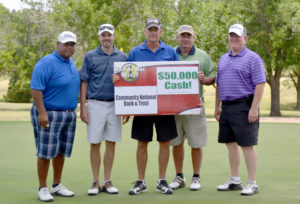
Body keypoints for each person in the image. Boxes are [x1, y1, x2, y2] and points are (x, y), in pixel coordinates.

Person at [119, 18, 179, 195]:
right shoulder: (135, 52)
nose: (153, 32)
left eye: (156, 29)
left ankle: (162, 181)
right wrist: (127, 108)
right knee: (142, 143)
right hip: (142, 104)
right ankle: (141, 181)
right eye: (150, 30)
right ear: (145, 31)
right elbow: (128, 79)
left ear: (161, 32)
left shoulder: (170, 51)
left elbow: (177, 77)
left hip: (165, 106)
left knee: (164, 142)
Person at [215, 24, 266, 196]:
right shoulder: (223, 58)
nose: (234, 39)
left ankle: (252, 182)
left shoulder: (253, 58)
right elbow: (219, 84)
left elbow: (260, 84)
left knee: (247, 145)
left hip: (245, 106)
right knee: (230, 144)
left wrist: (254, 108)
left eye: (237, 36)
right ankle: (235, 180)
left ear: (244, 38)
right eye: (231, 36)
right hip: (227, 107)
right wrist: (217, 107)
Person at [30, 31, 80, 202]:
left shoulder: (71, 62)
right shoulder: (46, 63)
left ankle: (56, 185)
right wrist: (42, 113)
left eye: (72, 44)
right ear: (58, 44)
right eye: (65, 44)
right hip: (49, 113)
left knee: (60, 151)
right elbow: (36, 89)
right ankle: (42, 187)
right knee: (46, 152)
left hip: (68, 115)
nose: (69, 47)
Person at [80, 23, 127, 195]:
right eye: (103, 35)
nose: (107, 38)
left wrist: (127, 107)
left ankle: (107, 181)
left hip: (115, 104)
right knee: (95, 142)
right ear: (99, 37)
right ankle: (95, 181)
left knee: (111, 142)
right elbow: (83, 81)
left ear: (114, 36)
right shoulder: (90, 56)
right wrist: (83, 107)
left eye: (109, 35)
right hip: (95, 104)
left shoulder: (123, 57)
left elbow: (129, 82)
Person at [168, 25, 216, 191]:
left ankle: (196, 177)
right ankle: (179, 176)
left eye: (188, 36)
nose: (185, 39)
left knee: (196, 143)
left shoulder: (202, 55)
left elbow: (212, 77)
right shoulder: (169, 53)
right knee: (176, 143)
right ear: (177, 37)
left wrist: (204, 79)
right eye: (182, 36)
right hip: (173, 107)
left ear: (193, 38)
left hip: (195, 105)